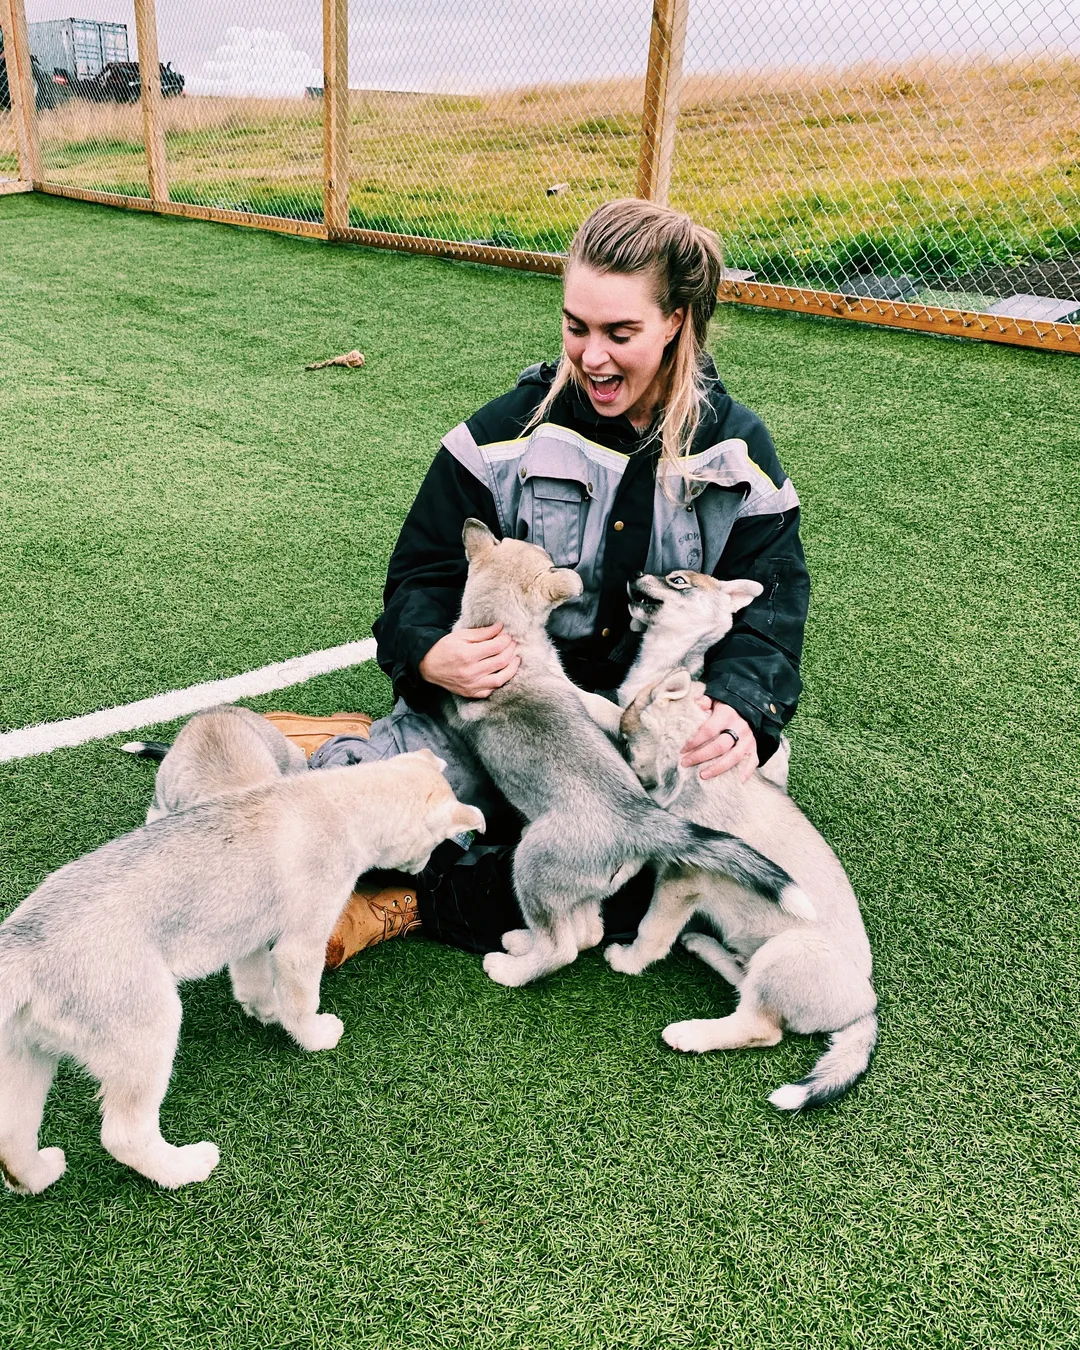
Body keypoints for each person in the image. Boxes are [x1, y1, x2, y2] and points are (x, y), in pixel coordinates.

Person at [304, 197, 810, 965]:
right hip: (508, 718)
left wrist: (742, 709)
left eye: (619, 333)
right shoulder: (500, 434)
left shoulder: (737, 451)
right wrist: (431, 653)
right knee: (326, 827)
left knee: (711, 863)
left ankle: (422, 896)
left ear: (674, 321)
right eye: (577, 326)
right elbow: (422, 574)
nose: (592, 356)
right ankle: (370, 784)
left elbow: (772, 607)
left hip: (644, 736)